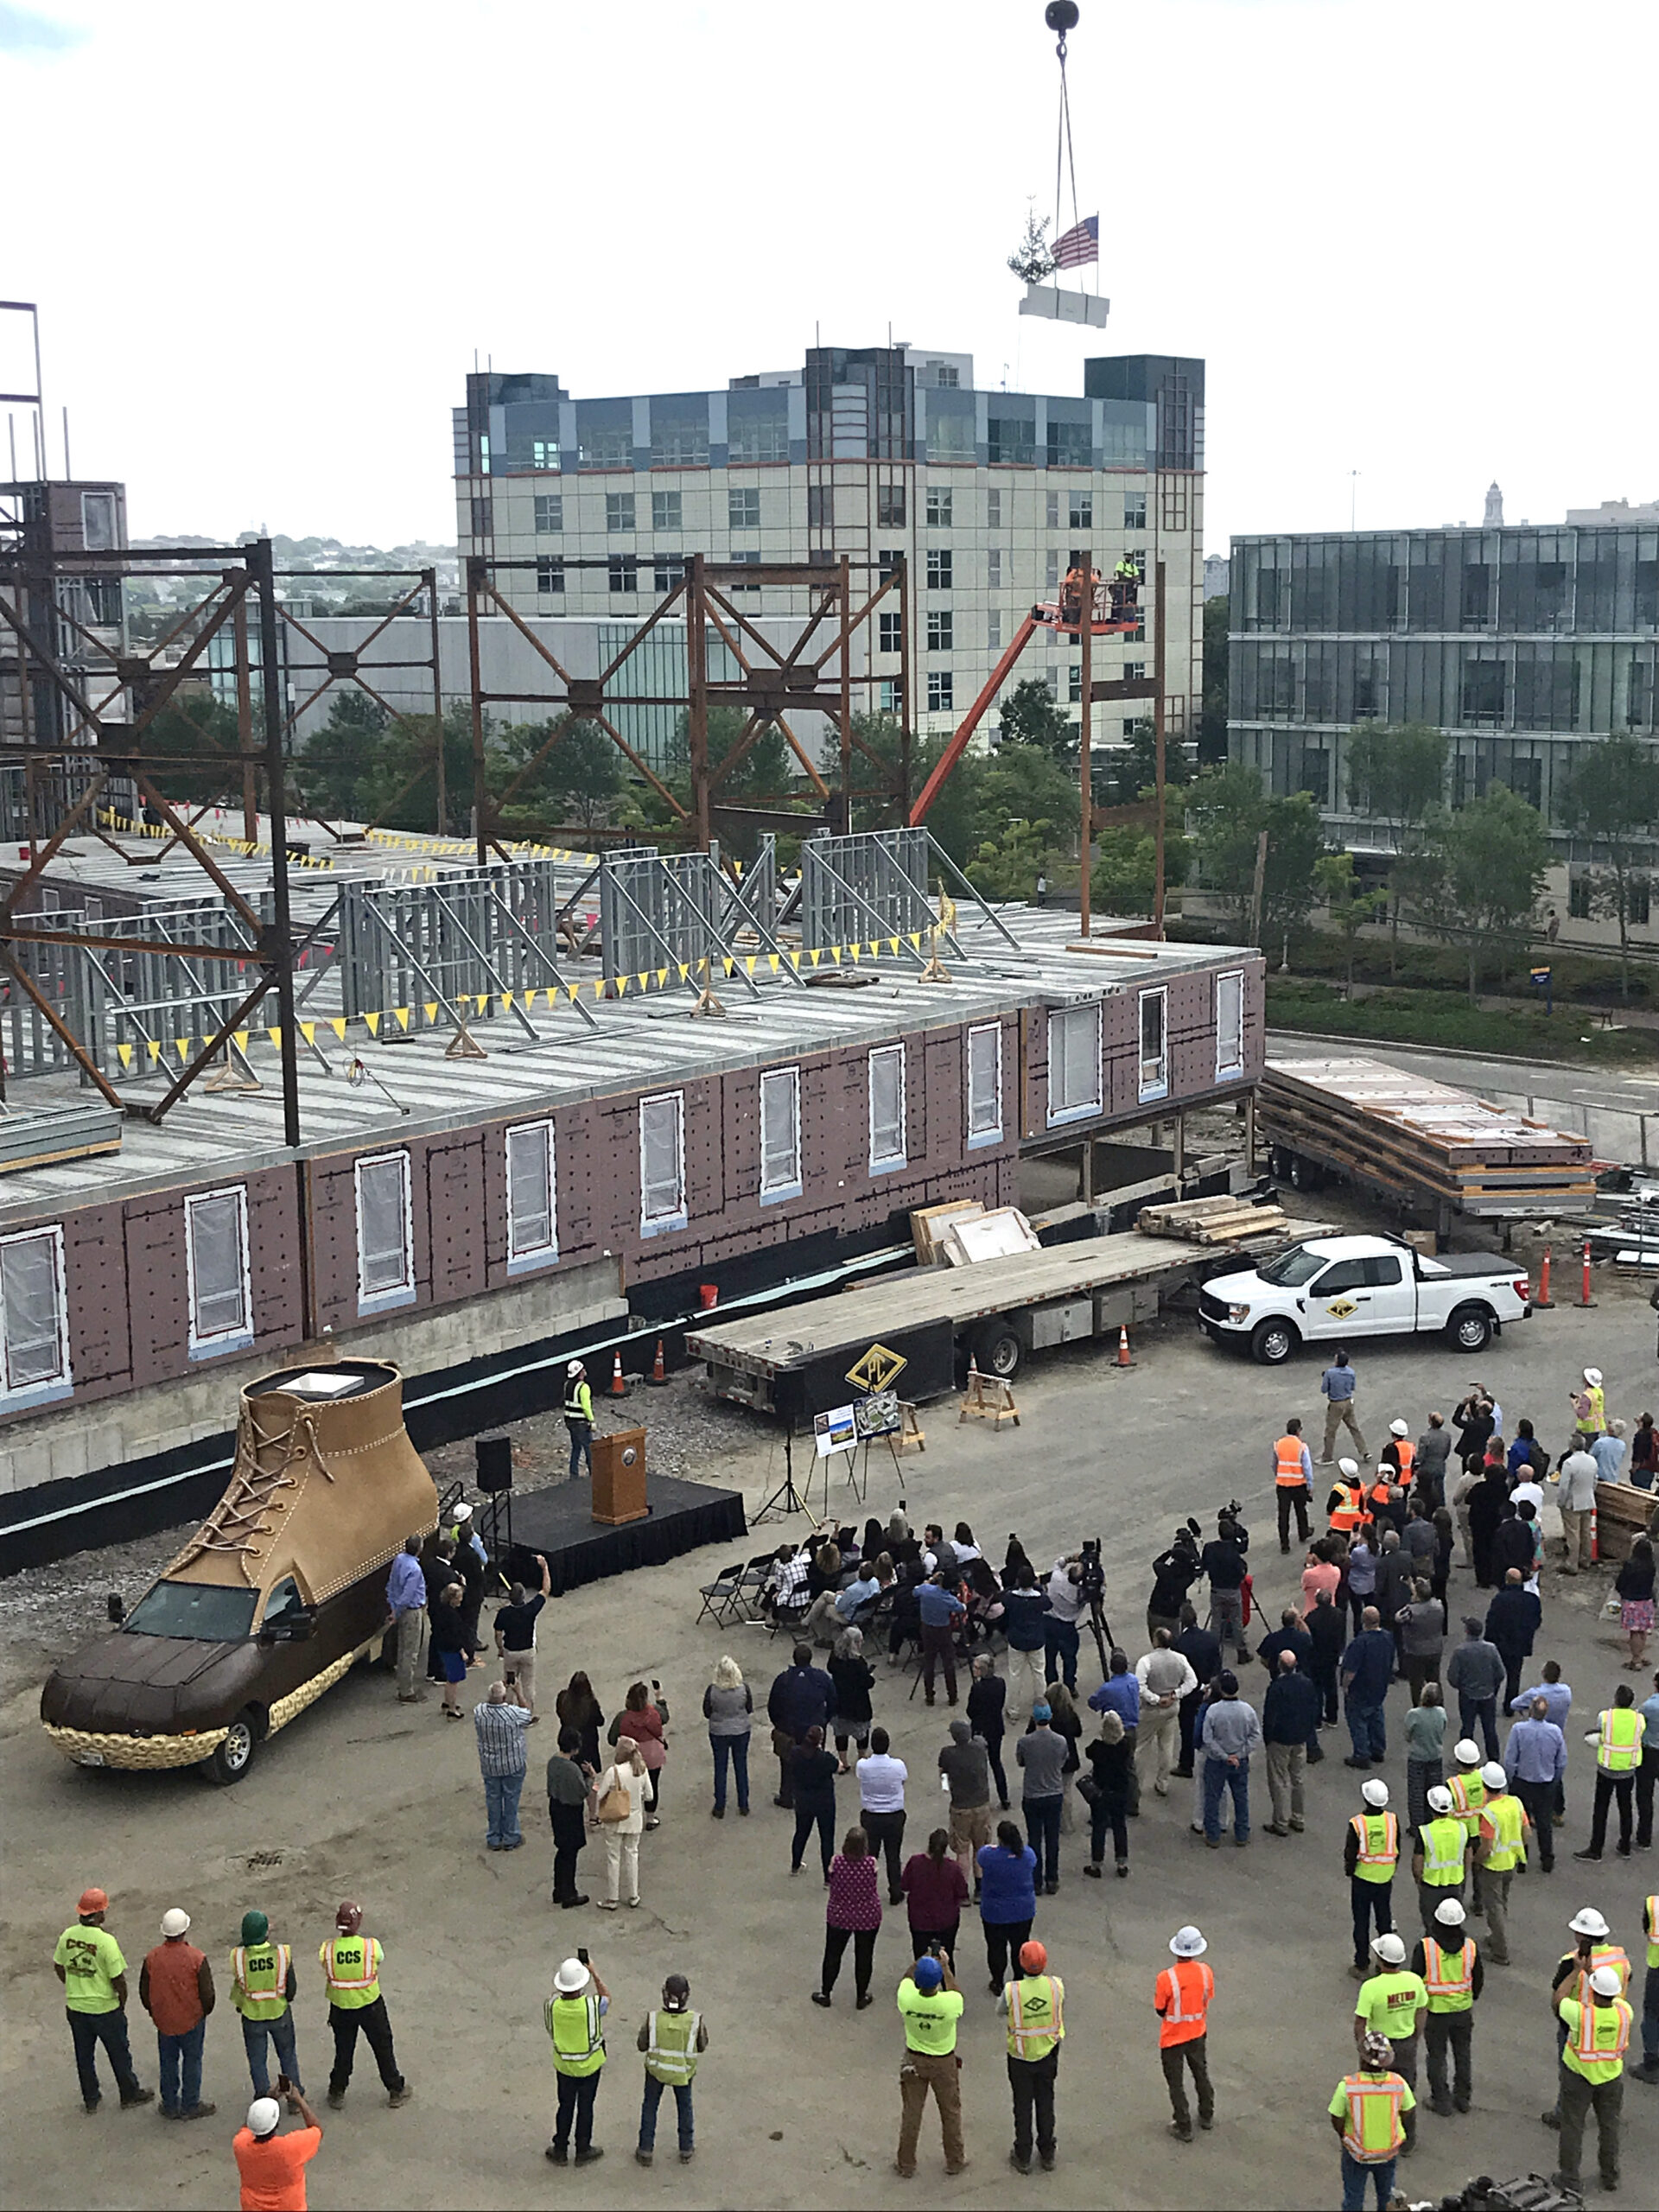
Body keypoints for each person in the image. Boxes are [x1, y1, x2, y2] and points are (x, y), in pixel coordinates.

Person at [54, 1887, 152, 2114]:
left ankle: (91, 2098)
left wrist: (73, 1985)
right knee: (119, 2052)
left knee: (84, 2055)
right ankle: (129, 2093)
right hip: (105, 2008)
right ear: (99, 1915)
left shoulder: (67, 1935)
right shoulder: (106, 1941)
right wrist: (121, 2003)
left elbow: (58, 1966)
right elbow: (118, 1978)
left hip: (76, 2007)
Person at [319, 1902, 408, 2110]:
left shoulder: (328, 1950)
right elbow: (379, 1960)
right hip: (370, 2006)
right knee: (383, 2047)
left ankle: (337, 2092)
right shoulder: (371, 1947)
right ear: (358, 1923)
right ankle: (395, 2089)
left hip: (341, 2008)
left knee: (344, 2051)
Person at [1554, 1963, 1632, 2196]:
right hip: (1610, 2078)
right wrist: (1593, 1974)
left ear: (1593, 1991)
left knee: (1573, 2126)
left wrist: (1576, 1971)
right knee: (1609, 2127)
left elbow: (1559, 1998)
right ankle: (1610, 2174)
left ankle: (1569, 2177)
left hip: (1578, 2077)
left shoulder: (1580, 2014)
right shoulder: (1624, 2012)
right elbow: (1613, 1997)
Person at [893, 1952, 967, 2179]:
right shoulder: (948, 2004)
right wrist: (944, 1966)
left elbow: (906, 1978)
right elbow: (955, 1991)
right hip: (944, 2061)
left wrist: (921, 1959)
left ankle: (906, 2163)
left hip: (915, 2059)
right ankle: (954, 2160)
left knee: (912, 2112)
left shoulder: (907, 1999)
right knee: (950, 2111)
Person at [1352, 1931, 1427, 2150]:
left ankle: (1373, 2138)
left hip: (1377, 2047)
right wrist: (1415, 2036)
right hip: (1406, 2044)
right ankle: (1407, 2141)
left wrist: (1362, 2048)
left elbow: (1360, 2022)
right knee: (1405, 2091)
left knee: (1372, 2092)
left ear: (1380, 1958)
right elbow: (1422, 2010)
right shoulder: (1414, 1981)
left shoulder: (1371, 1987)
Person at [140, 1907, 216, 2122]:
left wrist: (155, 2012)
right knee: (192, 2061)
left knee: (168, 2062)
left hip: (164, 2021)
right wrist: (202, 2013)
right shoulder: (196, 1958)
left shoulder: (152, 1958)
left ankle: (170, 2104)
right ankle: (190, 2104)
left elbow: (144, 1991)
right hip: (191, 2020)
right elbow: (208, 1994)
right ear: (184, 1931)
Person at [1409, 1897, 1482, 2116]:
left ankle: (1441, 2100)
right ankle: (1463, 2098)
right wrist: (1468, 1998)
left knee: (1437, 2056)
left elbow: (1415, 1979)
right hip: (1462, 2010)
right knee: (1463, 2054)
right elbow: (1477, 1978)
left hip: (1435, 2012)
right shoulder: (1470, 1947)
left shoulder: (1426, 1947)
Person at [1000, 1937, 1064, 2174]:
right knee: (1046, 2101)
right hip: (1048, 2053)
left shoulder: (1012, 1991)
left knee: (1022, 2104)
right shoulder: (1057, 1985)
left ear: (1020, 1962)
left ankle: (1023, 2154)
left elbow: (1001, 2010)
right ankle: (1047, 2152)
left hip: (1020, 2056)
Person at [1331, 2029, 1414, 2211]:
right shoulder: (1398, 2083)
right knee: (1387, 2199)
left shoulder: (1348, 2086)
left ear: (1362, 2057)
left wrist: (1345, 2135)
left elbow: (1336, 2117)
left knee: (1353, 2198)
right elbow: (1408, 2109)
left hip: (1357, 2152)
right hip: (1388, 2152)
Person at [634, 1972, 707, 2168]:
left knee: (650, 2106)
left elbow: (641, 2044)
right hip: (683, 2073)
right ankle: (686, 2149)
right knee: (685, 2108)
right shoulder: (695, 2021)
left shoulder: (653, 2019)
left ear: (664, 1994)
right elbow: (701, 2045)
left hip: (655, 2071)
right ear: (687, 1996)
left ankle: (645, 2150)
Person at [228, 1910, 302, 2101]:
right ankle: (294, 2097)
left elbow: (239, 1987)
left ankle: (264, 2100)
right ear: (265, 1934)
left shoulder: (238, 1956)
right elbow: (291, 1987)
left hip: (252, 2017)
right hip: (279, 2013)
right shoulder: (282, 1954)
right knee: (287, 2056)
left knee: (257, 2061)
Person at [545, 1952, 609, 2166]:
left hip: (564, 2068)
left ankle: (560, 2149)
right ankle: (583, 2149)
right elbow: (606, 1998)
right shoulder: (592, 2007)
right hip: (590, 2067)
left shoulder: (552, 2006)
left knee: (565, 2106)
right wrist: (594, 1972)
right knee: (586, 2107)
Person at [1576, 1682, 1646, 1860]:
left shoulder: (1606, 1717)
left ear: (1616, 1699)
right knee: (1626, 1807)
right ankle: (1625, 1846)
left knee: (1601, 1809)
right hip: (1628, 1768)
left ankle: (1596, 1849)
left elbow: (1599, 1735)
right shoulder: (1639, 1719)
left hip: (1607, 1768)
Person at [815, 1827, 882, 2009]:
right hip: (867, 1915)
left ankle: (825, 1992)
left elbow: (831, 1875)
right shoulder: (871, 1864)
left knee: (833, 1954)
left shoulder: (836, 1862)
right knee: (864, 1955)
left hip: (840, 1914)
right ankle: (861, 1996)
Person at [232, 2085, 323, 2212]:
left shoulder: (240, 2146)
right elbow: (316, 2130)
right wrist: (299, 2100)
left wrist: (267, 2100)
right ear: (276, 2124)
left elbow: (247, 2128)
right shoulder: (290, 2148)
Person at [1472, 1760, 1529, 1964]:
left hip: (1493, 1866)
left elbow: (1486, 1847)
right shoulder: (1515, 1803)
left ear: (1485, 1786)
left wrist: (1476, 1861)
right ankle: (1495, 1937)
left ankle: (1500, 1951)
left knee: (1493, 1907)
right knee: (1502, 1902)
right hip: (1510, 1862)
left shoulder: (1489, 1813)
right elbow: (1526, 1832)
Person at [767, 1643, 836, 1808]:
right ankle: (814, 1796)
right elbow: (833, 1701)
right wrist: (824, 1720)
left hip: (790, 1728)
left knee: (787, 1762)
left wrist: (779, 1725)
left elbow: (773, 1706)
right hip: (814, 1728)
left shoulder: (783, 1679)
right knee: (815, 1760)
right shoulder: (821, 1678)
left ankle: (787, 1797)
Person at [1505, 1694, 1567, 1874]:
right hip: (1545, 1783)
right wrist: (1554, 1779)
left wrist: (1512, 1779)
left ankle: (1521, 1858)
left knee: (1520, 1822)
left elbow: (1510, 1759)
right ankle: (1547, 1859)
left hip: (1522, 1782)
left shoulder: (1518, 1730)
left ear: (1530, 1711)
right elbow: (1561, 1760)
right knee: (1544, 1822)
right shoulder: (1555, 1731)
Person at [1199, 1669, 1260, 1848]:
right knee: (1241, 1797)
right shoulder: (1247, 1711)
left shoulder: (1213, 1711)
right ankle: (1242, 1833)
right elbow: (1255, 1736)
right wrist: (1239, 1755)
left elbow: (1207, 1738)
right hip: (1240, 1761)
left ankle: (1213, 1835)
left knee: (1212, 1797)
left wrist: (1224, 1756)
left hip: (1217, 1761)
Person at [1262, 1649, 1320, 1836]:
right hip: (1300, 1737)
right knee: (1298, 1777)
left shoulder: (1277, 1687)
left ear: (1280, 1665)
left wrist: (1267, 1738)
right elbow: (1313, 1708)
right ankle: (1298, 1817)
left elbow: (1270, 1716)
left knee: (1279, 1780)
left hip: (1280, 1738)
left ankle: (1280, 1821)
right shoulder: (1307, 1684)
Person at [1134, 1630, 1196, 1799]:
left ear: (1156, 1642)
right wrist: (1176, 1694)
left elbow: (1139, 1687)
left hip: (1151, 1710)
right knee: (1166, 1745)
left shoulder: (1146, 1661)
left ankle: (1136, 1786)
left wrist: (1155, 1699)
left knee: (1141, 1747)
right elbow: (1192, 1681)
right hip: (1172, 1708)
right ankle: (1163, 1782)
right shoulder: (1180, 1659)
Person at [977, 1820, 1039, 1991]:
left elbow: (982, 1853)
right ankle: (1019, 1979)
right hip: (1022, 1911)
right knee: (1020, 1946)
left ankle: (997, 1981)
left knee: (996, 1947)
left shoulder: (988, 1856)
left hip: (995, 1912)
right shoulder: (1027, 1855)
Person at [1346, 1778, 1399, 1974]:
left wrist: (1350, 1871)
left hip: (1362, 1878)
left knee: (1361, 1921)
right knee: (1384, 1919)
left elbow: (1350, 1853)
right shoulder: (1392, 1820)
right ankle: (1385, 1961)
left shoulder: (1357, 1823)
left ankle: (1361, 1962)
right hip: (1385, 1878)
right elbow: (1397, 1847)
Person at [474, 1679, 534, 1851]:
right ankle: (510, 1835)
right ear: (504, 1697)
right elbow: (528, 1714)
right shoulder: (512, 1714)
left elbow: (485, 1705)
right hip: (512, 1763)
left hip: (490, 1765)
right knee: (511, 1799)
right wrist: (518, 1693)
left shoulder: (479, 1712)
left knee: (493, 1799)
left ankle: (494, 1836)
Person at [1017, 1703, 1067, 1892]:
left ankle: (1036, 1880)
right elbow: (1063, 1761)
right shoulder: (1061, 1741)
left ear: (1034, 1719)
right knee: (1053, 1838)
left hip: (1032, 1794)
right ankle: (1052, 1879)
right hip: (1054, 1793)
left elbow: (1020, 1762)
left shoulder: (1025, 1742)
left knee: (1034, 1838)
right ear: (1050, 1717)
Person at [493, 1554, 551, 1717]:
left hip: (510, 1652)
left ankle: (507, 1710)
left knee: (510, 1680)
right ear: (523, 1596)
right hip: (528, 1651)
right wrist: (545, 1567)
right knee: (528, 1683)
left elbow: (498, 1633)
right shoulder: (530, 1610)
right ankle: (528, 1714)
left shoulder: (504, 1613)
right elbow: (546, 1590)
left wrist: (500, 1648)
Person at [901, 1828, 969, 1964]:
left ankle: (922, 1981)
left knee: (920, 1958)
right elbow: (962, 1893)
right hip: (946, 1920)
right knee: (946, 1958)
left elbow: (904, 1886)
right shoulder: (953, 1868)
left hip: (919, 1920)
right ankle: (947, 1983)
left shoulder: (915, 1863)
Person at [939, 1718, 994, 1889]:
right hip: (982, 1805)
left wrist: (946, 1788)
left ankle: (963, 1890)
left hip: (961, 1807)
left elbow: (943, 1775)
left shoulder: (948, 1753)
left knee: (962, 1850)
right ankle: (980, 1887)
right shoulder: (979, 1749)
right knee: (981, 1847)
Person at [857, 1726, 910, 1900]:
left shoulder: (863, 1766)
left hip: (871, 1814)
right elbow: (903, 1780)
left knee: (870, 1855)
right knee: (893, 1855)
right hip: (894, 1814)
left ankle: (866, 1890)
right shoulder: (898, 1765)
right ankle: (895, 1890)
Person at [595, 1736, 648, 1908]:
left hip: (616, 1819)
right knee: (632, 1854)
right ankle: (633, 1895)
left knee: (613, 1857)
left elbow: (600, 1794)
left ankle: (612, 1898)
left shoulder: (614, 1771)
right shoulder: (641, 1770)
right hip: (635, 1819)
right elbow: (649, 1796)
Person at [1340, 1605, 1395, 1769]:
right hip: (1379, 1684)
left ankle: (1361, 1755)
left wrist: (1345, 1686)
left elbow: (1351, 1670)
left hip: (1361, 1687)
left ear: (1364, 1621)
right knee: (1376, 1715)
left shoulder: (1360, 1643)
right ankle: (1378, 1749)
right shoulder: (1387, 1637)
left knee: (1358, 1721)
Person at [1172, 1602, 1222, 1777]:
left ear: (1182, 1622)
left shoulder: (1179, 1644)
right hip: (1208, 1689)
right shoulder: (1211, 1639)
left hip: (1188, 1692)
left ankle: (1186, 1764)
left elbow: (1177, 1672)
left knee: (1186, 1728)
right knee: (1212, 1726)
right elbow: (1217, 1666)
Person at [1083, 1709, 1135, 1875]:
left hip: (1101, 1791)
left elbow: (1087, 1752)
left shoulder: (1097, 1748)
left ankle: (1096, 1864)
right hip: (1120, 1790)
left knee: (1099, 1827)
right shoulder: (1125, 1745)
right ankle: (1122, 1863)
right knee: (1120, 1825)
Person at [1411, 1783, 1468, 1933]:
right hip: (1455, 1883)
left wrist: (1419, 1881)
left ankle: (1431, 1953)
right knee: (1452, 1924)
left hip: (1431, 1887)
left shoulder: (1425, 1832)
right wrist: (1463, 1875)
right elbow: (1468, 1855)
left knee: (1431, 1925)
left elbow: (1417, 1863)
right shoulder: (1461, 1828)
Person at [1446, 1617, 1504, 1760]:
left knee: (1467, 1727)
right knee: (1490, 1729)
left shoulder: (1460, 1651)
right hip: (1487, 1695)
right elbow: (1500, 1673)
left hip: (1468, 1696)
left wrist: (1462, 1687)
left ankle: (1464, 1758)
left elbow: (1452, 1676)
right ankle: (1494, 1758)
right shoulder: (1491, 1649)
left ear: (1467, 1631)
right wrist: (1492, 1687)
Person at [546, 1727, 592, 1909]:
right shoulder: (572, 1769)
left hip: (556, 1807)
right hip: (570, 1812)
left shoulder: (552, 1762)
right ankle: (569, 1893)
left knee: (561, 1850)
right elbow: (582, 1793)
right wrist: (590, 1777)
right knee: (571, 1852)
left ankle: (558, 1889)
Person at [1485, 1568, 1542, 1713]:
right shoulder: (1532, 1600)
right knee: (1514, 1676)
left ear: (1506, 1580)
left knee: (1495, 1676)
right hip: (1520, 1644)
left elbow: (1491, 1622)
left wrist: (1488, 1640)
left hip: (1501, 1643)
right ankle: (1510, 1706)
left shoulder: (1500, 1599)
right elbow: (1536, 1621)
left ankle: (1489, 1705)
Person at [1000, 1562, 1050, 1725]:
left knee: (1015, 1675)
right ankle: (1042, 1709)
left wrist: (1016, 1586)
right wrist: (1039, 1587)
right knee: (1039, 1674)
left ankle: (1014, 1709)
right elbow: (1049, 1603)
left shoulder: (1011, 1598)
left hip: (1017, 1640)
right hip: (1036, 1639)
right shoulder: (1040, 1599)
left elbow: (1004, 1596)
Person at [702, 1654, 752, 1819]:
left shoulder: (712, 1690)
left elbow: (706, 1712)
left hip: (718, 1732)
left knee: (720, 1767)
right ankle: (743, 1804)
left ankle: (719, 1806)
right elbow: (749, 1708)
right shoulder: (744, 1688)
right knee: (741, 1765)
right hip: (741, 1730)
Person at [787, 1725, 840, 1880]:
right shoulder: (825, 1758)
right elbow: (839, 1768)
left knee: (801, 1833)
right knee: (826, 1838)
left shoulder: (796, 1753)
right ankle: (828, 1877)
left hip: (803, 1800)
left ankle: (795, 1865)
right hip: (824, 1802)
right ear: (820, 1741)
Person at [1200, 1516, 1251, 1665]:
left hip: (1216, 1589)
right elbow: (1241, 1570)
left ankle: (1214, 1653)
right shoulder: (1234, 1551)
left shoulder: (1210, 1548)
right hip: (1233, 1591)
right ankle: (1241, 1651)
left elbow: (1204, 1565)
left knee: (1216, 1622)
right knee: (1236, 1621)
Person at [385, 1537, 428, 1705]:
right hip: (411, 1611)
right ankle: (406, 1690)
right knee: (410, 1651)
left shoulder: (399, 1560)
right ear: (419, 1549)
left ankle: (402, 1685)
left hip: (399, 1608)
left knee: (402, 1648)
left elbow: (392, 1584)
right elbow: (407, 1595)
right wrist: (397, 1611)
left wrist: (393, 1607)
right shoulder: (415, 1570)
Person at [829, 1626, 875, 1772]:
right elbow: (867, 1683)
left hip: (840, 1702)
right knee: (862, 1734)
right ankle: (862, 1760)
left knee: (841, 1733)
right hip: (858, 1704)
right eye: (860, 1641)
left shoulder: (835, 1657)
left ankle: (843, 1762)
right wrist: (870, 1677)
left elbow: (831, 1669)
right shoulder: (858, 1663)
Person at [967, 1652, 1010, 1811]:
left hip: (980, 1730)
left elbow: (970, 1710)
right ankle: (1004, 1797)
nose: (974, 1670)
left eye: (977, 1668)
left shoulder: (977, 1688)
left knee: (979, 1765)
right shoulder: (1001, 1683)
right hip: (996, 1728)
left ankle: (980, 1798)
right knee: (996, 1762)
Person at [918, 1570, 966, 1707]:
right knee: (948, 1662)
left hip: (927, 1628)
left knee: (929, 1661)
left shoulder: (926, 1590)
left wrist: (930, 1581)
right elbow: (961, 1608)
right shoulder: (949, 1600)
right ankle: (952, 1695)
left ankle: (929, 1695)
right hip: (943, 1631)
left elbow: (915, 1591)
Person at [1404, 1681, 1446, 1834]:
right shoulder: (1441, 1713)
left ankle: (1416, 1825)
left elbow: (1407, 1735)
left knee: (1416, 1792)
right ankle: (1432, 1818)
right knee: (1434, 1788)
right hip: (1435, 1755)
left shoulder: (1414, 1714)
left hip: (1417, 1757)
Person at [1395, 1580, 1446, 1709]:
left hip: (1415, 1651)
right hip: (1435, 1648)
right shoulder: (1438, 1606)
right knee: (1434, 1680)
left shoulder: (1412, 1611)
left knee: (1416, 1683)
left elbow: (1398, 1618)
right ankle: (1439, 1706)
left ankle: (1419, 1708)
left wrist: (1410, 1603)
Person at [1147, 1527, 1203, 1642]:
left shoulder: (1164, 1571)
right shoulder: (1185, 1579)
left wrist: (1170, 1552)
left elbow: (1157, 1563)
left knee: (1157, 1642)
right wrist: (1192, 1551)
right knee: (1174, 1644)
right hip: (1172, 1615)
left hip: (1155, 1611)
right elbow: (1196, 1570)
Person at [1556, 1440, 1599, 1575]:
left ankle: (1572, 1563)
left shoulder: (1569, 1463)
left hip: (1572, 1502)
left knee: (1573, 1534)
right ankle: (1585, 1559)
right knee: (1585, 1531)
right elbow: (1595, 1481)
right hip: (1587, 1500)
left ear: (1572, 1447)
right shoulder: (1592, 1460)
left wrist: (1561, 1502)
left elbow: (1564, 1487)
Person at [428, 1580, 470, 1718]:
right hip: (452, 1650)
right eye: (459, 1598)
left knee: (450, 1678)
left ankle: (447, 1702)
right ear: (453, 1599)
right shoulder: (451, 1615)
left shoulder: (441, 1610)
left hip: (442, 1646)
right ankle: (452, 1708)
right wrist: (462, 1651)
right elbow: (455, 1636)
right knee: (453, 1680)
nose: (461, 1600)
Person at [1043, 1557, 1085, 1692]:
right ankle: (1070, 1685)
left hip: (1050, 1622)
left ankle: (1051, 1685)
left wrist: (1071, 1558)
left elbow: (1057, 1563)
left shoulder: (1056, 1578)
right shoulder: (1081, 1593)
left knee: (1050, 1657)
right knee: (1069, 1659)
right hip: (1068, 1628)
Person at [1320, 1348, 1369, 1464]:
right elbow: (1352, 1387)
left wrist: (1326, 1378)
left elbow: (1324, 1389)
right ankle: (1364, 1451)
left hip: (1336, 1404)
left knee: (1330, 1431)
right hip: (1348, 1402)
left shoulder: (1330, 1373)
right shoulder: (1351, 1372)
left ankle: (1327, 1457)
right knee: (1354, 1428)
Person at [1308, 1586, 1345, 1732]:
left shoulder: (1312, 1617)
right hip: (1332, 1655)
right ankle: (1332, 1717)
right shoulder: (1339, 1614)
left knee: (1317, 1688)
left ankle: (1317, 1720)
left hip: (1317, 1656)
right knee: (1331, 1687)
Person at [1274, 1417, 1314, 1551]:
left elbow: (1274, 1464)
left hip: (1282, 1485)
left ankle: (1284, 1544)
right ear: (1298, 1431)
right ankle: (1303, 1533)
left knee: (1283, 1514)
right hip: (1298, 1484)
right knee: (1301, 1510)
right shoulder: (1301, 1447)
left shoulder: (1278, 1444)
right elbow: (1307, 1468)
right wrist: (1310, 1485)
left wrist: (1279, 1475)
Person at [1617, 1536, 1656, 1672]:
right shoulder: (1651, 1566)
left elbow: (1621, 1582)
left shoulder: (1630, 1565)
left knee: (1634, 1632)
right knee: (1643, 1630)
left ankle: (1636, 1659)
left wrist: (1621, 1592)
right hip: (1646, 1601)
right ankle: (1641, 1654)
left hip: (1632, 1601)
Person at [556, 1671, 604, 1774]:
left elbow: (559, 1713)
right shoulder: (591, 1704)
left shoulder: (563, 1698)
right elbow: (600, 1721)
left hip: (568, 1737)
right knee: (588, 1772)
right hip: (587, 1742)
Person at [1636, 1893, 1659, 2084]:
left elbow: (1647, 1928)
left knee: (1652, 2015)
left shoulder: (1653, 1905)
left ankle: (1652, 2064)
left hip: (1658, 1968)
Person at [563, 1358, 594, 1480]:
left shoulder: (567, 1385)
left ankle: (573, 1474)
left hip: (570, 1422)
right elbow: (586, 1407)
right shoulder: (584, 1387)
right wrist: (591, 1420)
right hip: (581, 1423)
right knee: (589, 1448)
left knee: (576, 1447)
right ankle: (594, 1473)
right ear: (580, 1373)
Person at [1638, 1667, 1659, 1853]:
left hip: (1650, 1753)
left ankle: (1644, 1837)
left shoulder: (1649, 1707)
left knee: (1645, 1795)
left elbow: (1639, 1725)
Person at [1415, 1413, 1452, 1510]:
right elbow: (1446, 1452)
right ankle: (1441, 1507)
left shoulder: (1425, 1437)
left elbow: (1421, 1455)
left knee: (1426, 1489)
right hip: (1440, 1466)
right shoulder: (1446, 1436)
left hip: (1427, 1468)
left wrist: (1416, 1466)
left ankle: (1428, 1507)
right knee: (1440, 1487)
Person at [1629, 1410, 1656, 1491]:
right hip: (1651, 1469)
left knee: (1639, 1492)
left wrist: (1634, 1469)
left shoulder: (1640, 1436)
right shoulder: (1653, 1433)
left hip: (1641, 1469)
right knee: (1647, 1490)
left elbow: (1638, 1454)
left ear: (1642, 1422)